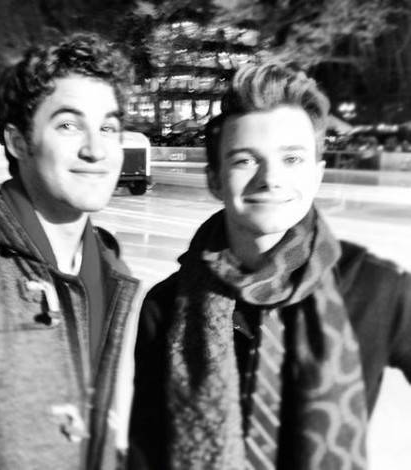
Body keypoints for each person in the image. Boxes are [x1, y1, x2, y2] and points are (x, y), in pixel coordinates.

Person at [129, 61, 411, 470]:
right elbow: (146, 451)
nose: (270, 178)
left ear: (317, 174)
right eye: (245, 160)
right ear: (215, 178)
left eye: (292, 159)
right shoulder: (166, 306)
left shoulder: (376, 288)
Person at [0, 33, 141, 470]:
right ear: (18, 142)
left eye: (108, 128)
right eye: (68, 125)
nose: (95, 149)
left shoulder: (114, 271)